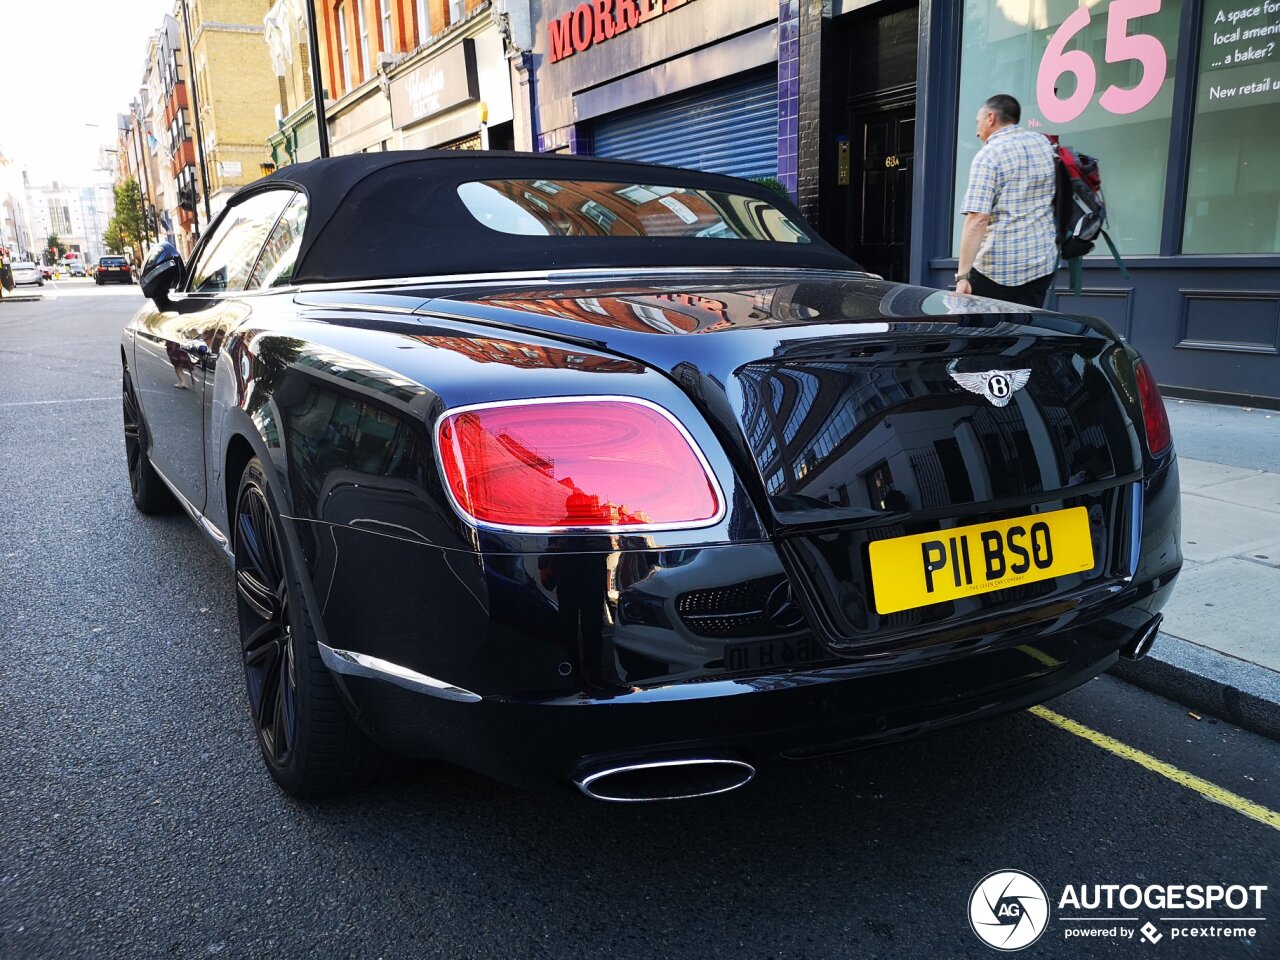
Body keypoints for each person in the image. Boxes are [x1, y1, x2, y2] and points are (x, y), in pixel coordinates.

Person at [954, 94, 1057, 308]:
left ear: (990, 118)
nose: (977, 131)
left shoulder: (990, 154)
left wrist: (963, 276)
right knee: (1027, 331)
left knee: (986, 335)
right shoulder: (1045, 145)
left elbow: (978, 219)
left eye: (978, 122)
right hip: (1041, 263)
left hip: (997, 269)